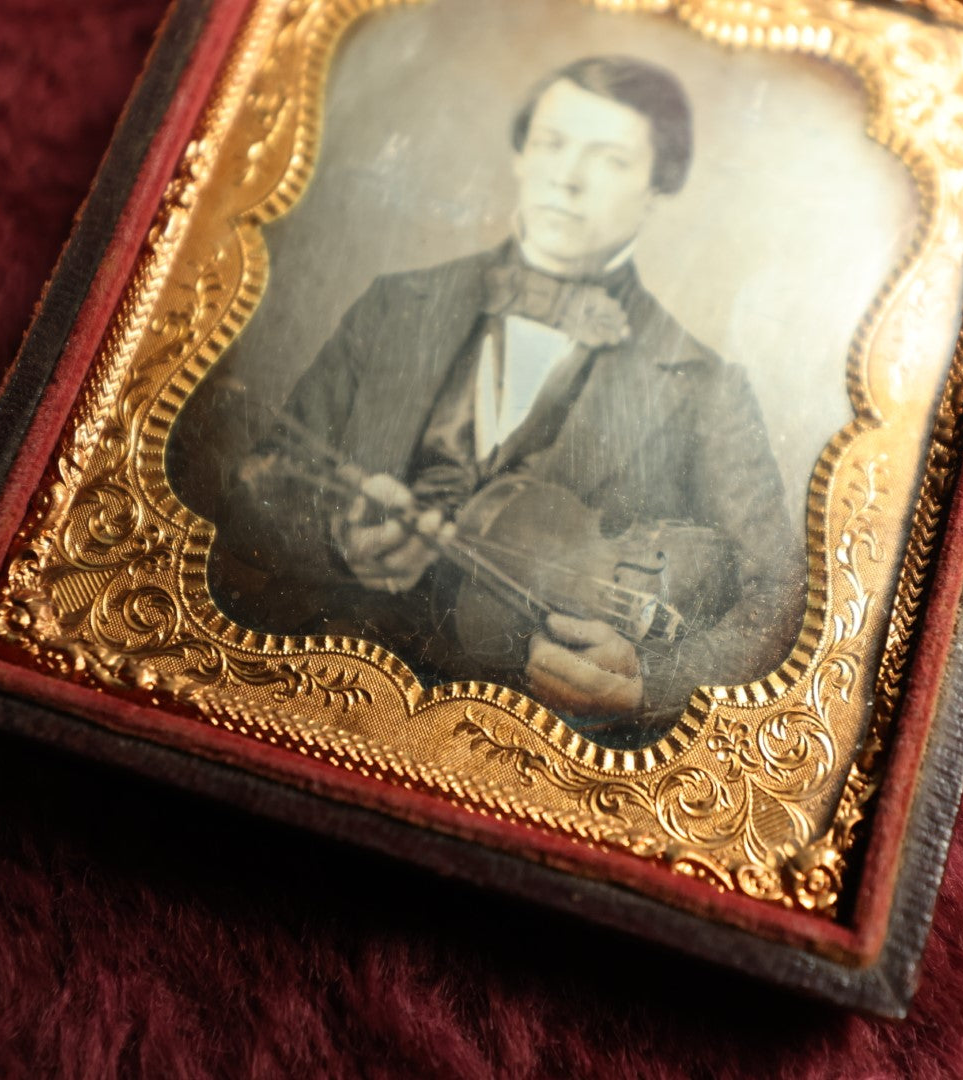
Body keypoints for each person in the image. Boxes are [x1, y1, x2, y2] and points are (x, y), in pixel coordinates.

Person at [207, 55, 805, 747]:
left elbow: (777, 598)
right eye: (550, 144)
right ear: (521, 156)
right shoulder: (394, 305)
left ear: (656, 187)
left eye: (608, 158)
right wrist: (337, 540)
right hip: (316, 704)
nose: (566, 176)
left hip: (523, 746)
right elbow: (255, 488)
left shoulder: (705, 383)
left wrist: (650, 679)